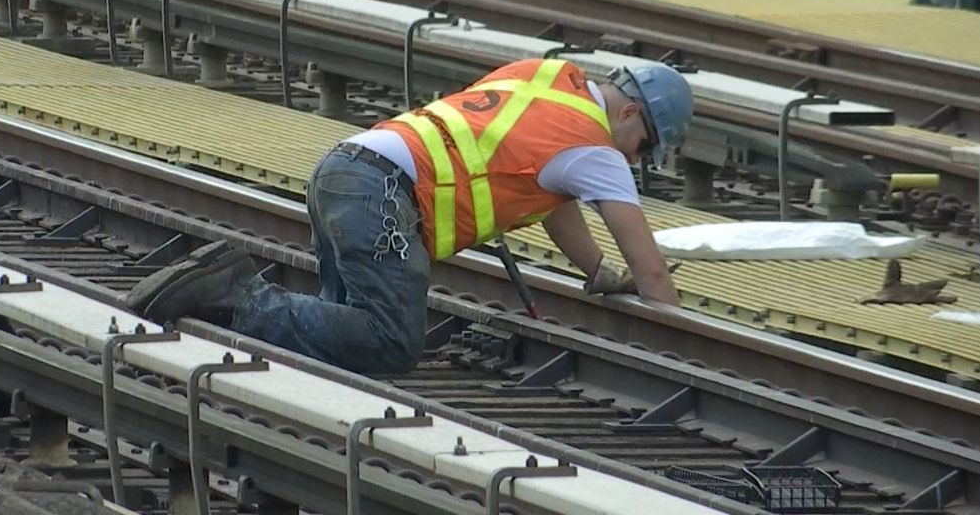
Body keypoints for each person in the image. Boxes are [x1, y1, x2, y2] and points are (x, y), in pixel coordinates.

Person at [137, 58, 693, 373]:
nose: (633, 160)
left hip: (344, 166)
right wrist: (684, 348)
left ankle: (224, 296)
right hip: (384, 196)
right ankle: (239, 294)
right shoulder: (597, 148)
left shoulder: (546, 76)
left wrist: (596, 271)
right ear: (627, 113)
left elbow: (555, 199)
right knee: (391, 341)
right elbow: (651, 271)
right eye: (643, 146)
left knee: (341, 341)